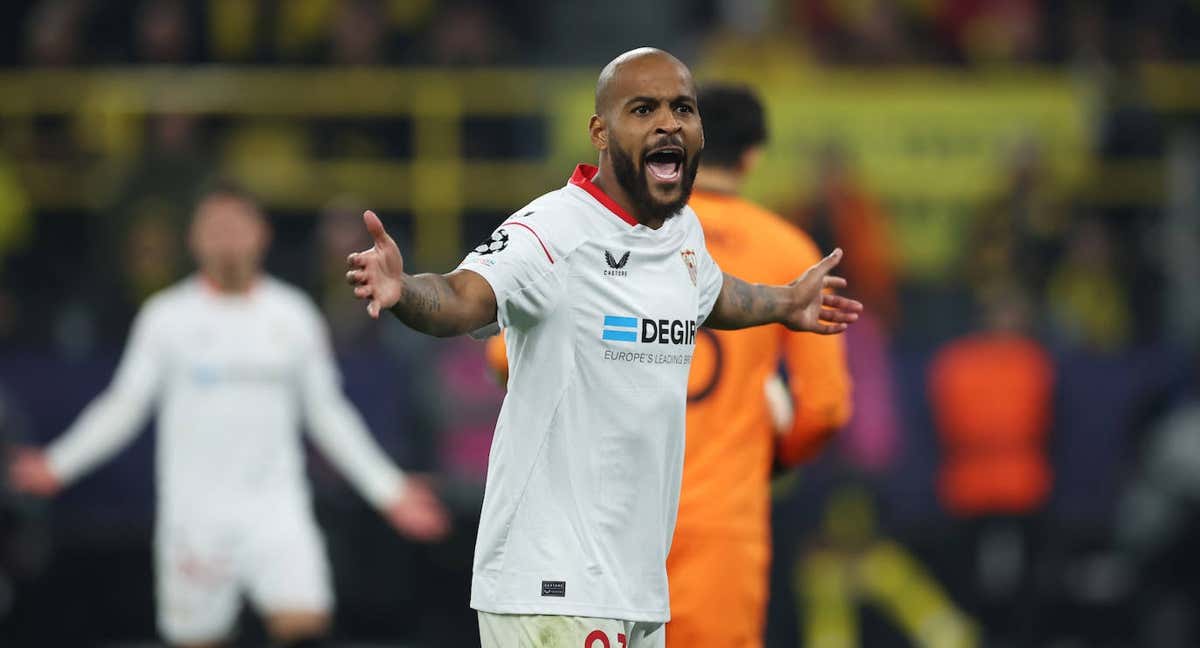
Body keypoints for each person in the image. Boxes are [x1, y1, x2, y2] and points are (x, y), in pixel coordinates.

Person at [344, 47, 863, 647]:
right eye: (644, 109)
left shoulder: (680, 232)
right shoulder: (553, 229)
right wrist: (403, 289)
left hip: (636, 581)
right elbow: (462, 296)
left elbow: (713, 294)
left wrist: (782, 303)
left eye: (682, 108)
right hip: (554, 579)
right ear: (600, 130)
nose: (669, 122)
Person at [483, 84, 854, 647]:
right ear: (753, 156)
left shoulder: (617, 230)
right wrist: (771, 457)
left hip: (602, 522)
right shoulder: (786, 250)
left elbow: (504, 356)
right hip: (721, 526)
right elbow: (824, 407)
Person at [7, 184, 450, 648]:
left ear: (261, 234)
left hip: (277, 514)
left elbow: (329, 414)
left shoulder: (293, 316)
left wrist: (390, 490)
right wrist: (58, 465)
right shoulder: (167, 318)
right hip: (195, 522)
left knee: (305, 630)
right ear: (194, 240)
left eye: (236, 227)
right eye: (214, 229)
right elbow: (123, 405)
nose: (226, 239)